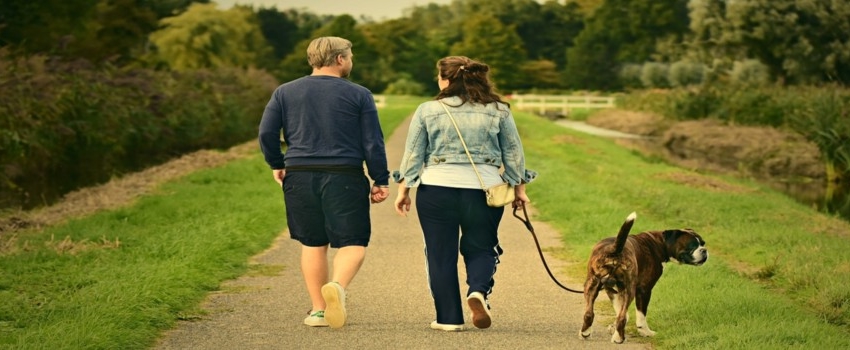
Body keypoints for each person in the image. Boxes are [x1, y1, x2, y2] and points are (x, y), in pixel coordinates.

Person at [392, 56, 537, 331]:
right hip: (485, 190)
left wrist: (404, 189)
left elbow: (413, 154)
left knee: (439, 253)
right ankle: (478, 291)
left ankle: (449, 319)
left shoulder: (427, 110)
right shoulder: (499, 110)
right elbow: (514, 154)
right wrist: (519, 189)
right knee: (482, 246)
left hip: (436, 190)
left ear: (446, 80)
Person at [258, 36, 390, 329]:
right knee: (353, 241)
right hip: (344, 175)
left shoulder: (284, 92)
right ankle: (338, 287)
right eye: (351, 56)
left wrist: (277, 164)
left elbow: (267, 133)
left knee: (313, 243)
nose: (351, 61)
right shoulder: (360, 94)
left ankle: (319, 310)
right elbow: (372, 142)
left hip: (300, 174)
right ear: (340, 59)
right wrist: (380, 179)